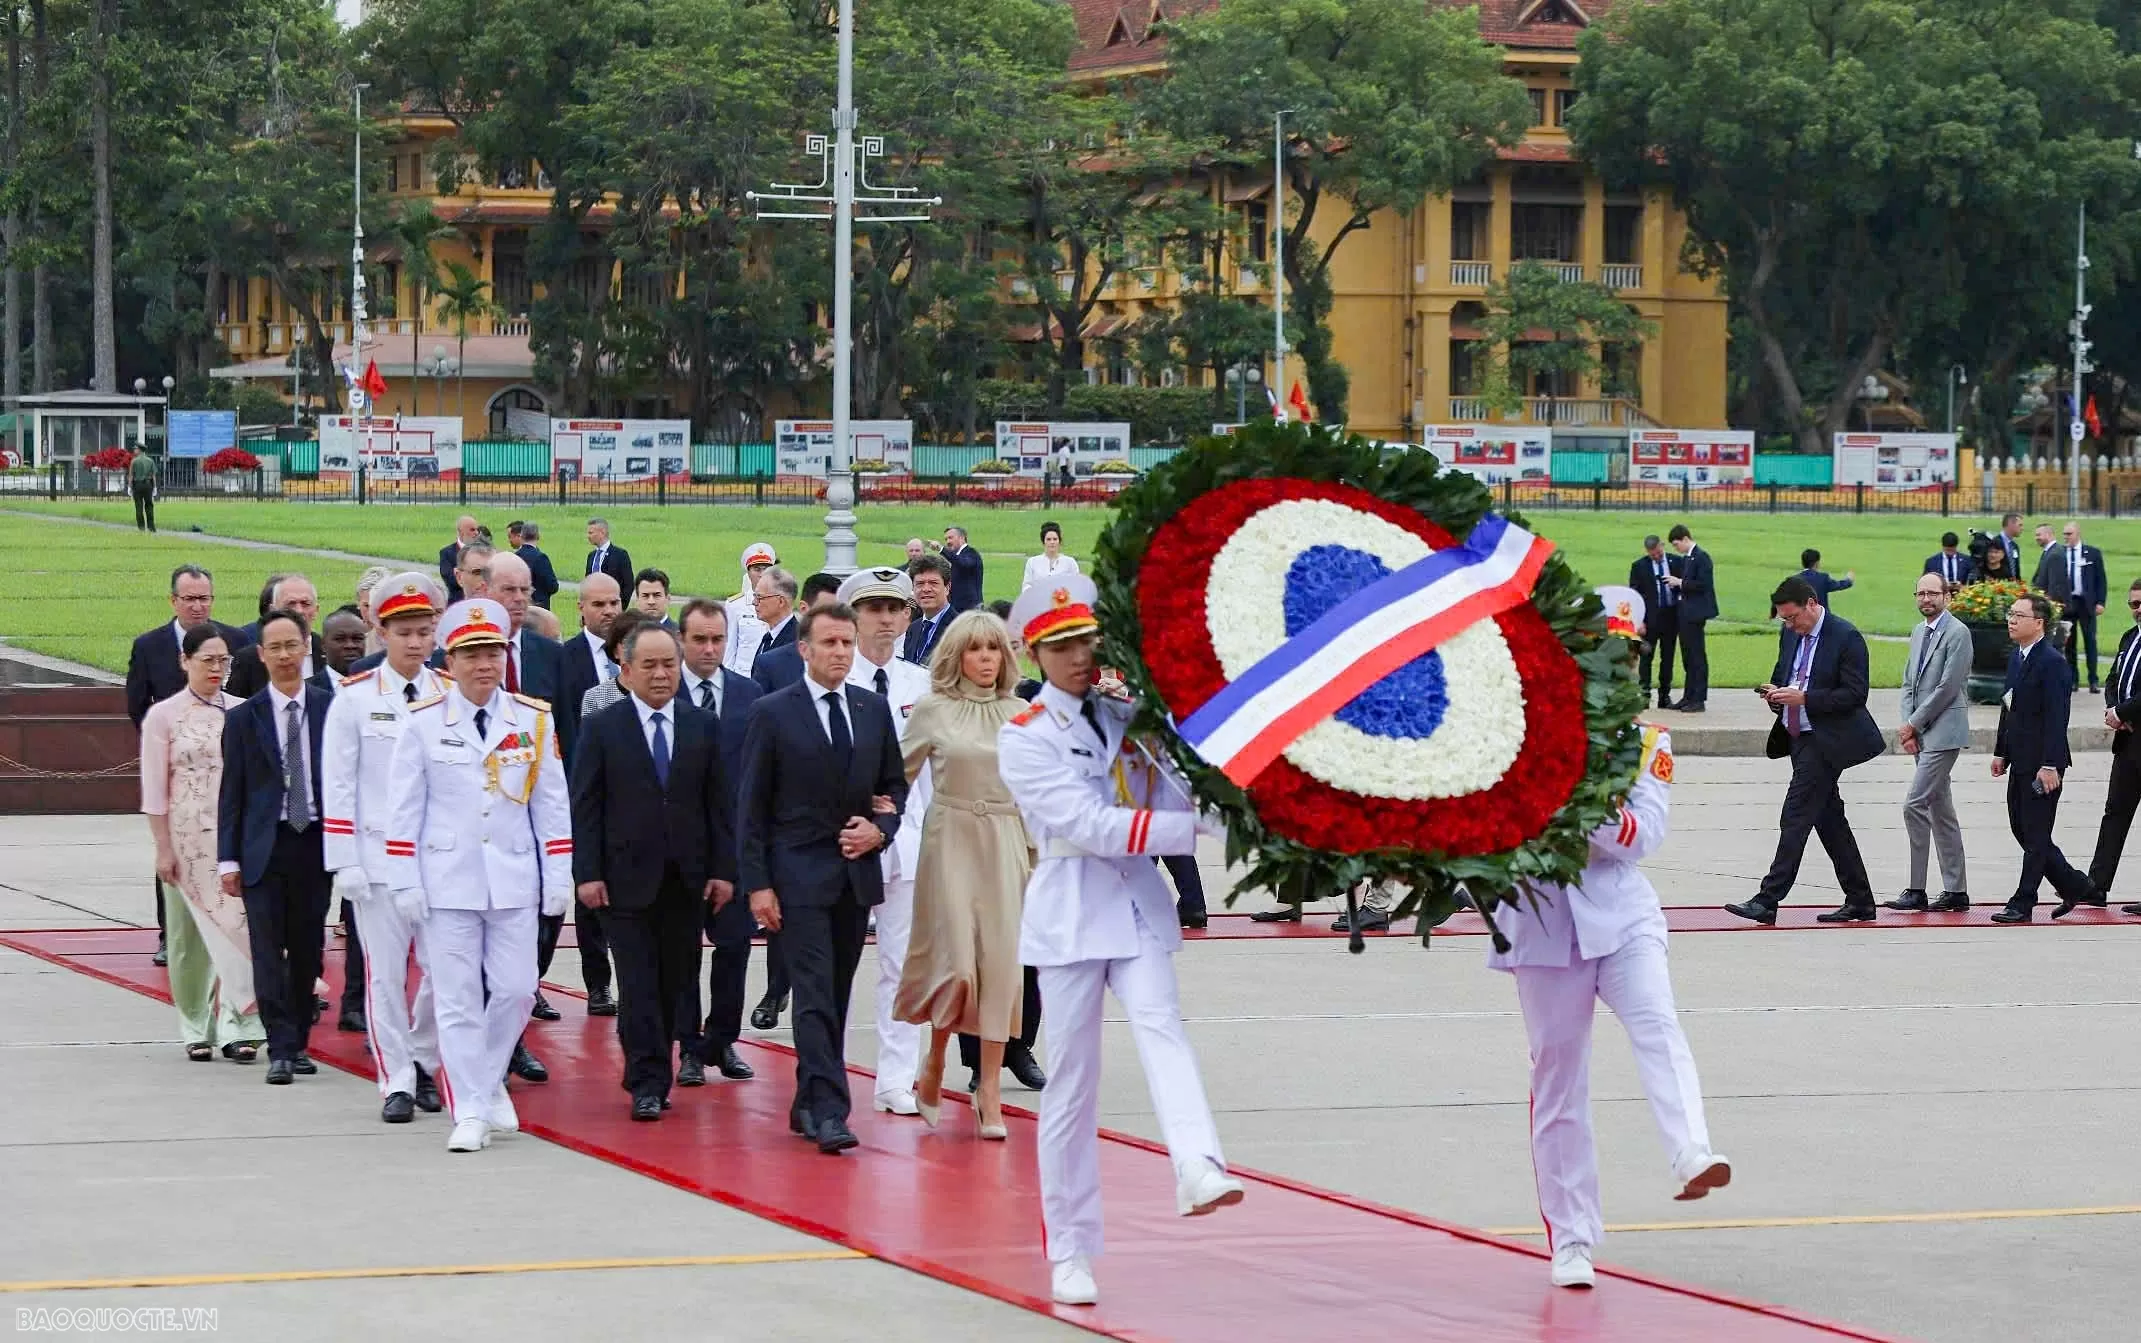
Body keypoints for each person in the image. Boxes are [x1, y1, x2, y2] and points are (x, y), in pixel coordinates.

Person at [997, 574, 1242, 1307]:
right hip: (1071, 909)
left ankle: (1198, 1163)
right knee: (1072, 1085)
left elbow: (1180, 793)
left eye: (1085, 641)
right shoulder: (1026, 736)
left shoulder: (1133, 717)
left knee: (1164, 1029)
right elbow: (1091, 826)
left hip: (1135, 904)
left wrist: (1236, 811)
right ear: (1036, 653)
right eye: (1062, 645)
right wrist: (1190, 827)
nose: (1078, 656)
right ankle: (1070, 1249)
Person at [1491, 586, 1729, 1291]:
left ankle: (1690, 1151)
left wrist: (1567, 808)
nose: (1613, 665)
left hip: (1621, 915)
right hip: (1541, 924)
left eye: (1624, 653)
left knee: (1658, 1024)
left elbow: (1639, 836)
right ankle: (1571, 1238)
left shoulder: (1647, 740)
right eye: (1598, 651)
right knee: (1558, 1080)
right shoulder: (1520, 730)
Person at [384, 598, 574, 1151]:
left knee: (516, 991)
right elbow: (404, 809)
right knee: (457, 998)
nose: (483, 664)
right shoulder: (423, 723)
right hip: (447, 879)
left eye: (492, 651)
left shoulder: (533, 719)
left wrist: (557, 873)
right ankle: (469, 1107)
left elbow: (550, 805)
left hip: (514, 877)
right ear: (452, 659)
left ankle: (487, 1082)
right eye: (470, 654)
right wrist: (405, 879)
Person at [737, 603, 908, 1156]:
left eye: (846, 644)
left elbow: (893, 789)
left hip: (853, 876)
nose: (839, 653)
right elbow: (752, 808)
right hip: (796, 877)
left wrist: (880, 829)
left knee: (834, 992)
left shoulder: (872, 709)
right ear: (804, 650)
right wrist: (758, 884)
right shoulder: (773, 712)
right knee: (811, 992)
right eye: (829, 643)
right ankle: (833, 1109)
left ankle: (809, 1098)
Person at [571, 623, 735, 1120]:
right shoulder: (604, 727)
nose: (663, 675)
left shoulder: (702, 724)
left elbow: (718, 805)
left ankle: (653, 1063)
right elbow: (587, 804)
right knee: (638, 982)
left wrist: (723, 871)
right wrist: (587, 873)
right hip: (624, 879)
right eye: (651, 665)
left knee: (676, 980)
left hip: (687, 879)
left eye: (670, 664)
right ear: (626, 670)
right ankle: (647, 1078)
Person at [897, 609, 1033, 1139]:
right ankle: (933, 1058)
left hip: (1006, 841)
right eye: (975, 650)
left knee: (1000, 968)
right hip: (949, 836)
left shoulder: (1022, 713)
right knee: (956, 965)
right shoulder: (932, 710)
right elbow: (895, 778)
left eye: (994, 649)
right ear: (957, 655)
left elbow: (1039, 792)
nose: (985, 659)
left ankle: (990, 1088)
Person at [320, 574, 447, 1122]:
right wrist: (342, 859)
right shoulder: (354, 698)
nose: (415, 643)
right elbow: (340, 781)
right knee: (385, 975)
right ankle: (395, 1076)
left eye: (424, 632)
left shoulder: (448, 691)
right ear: (382, 631)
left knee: (446, 973)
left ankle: (423, 1057)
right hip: (375, 859)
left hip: (438, 859)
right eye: (404, 632)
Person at [217, 606, 333, 1085]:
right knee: (267, 949)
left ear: (307, 648)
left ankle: (301, 1041)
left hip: (316, 844)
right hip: (265, 846)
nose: (285, 655)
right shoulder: (244, 718)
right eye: (275, 648)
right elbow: (233, 793)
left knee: (308, 948)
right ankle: (280, 1048)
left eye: (293, 645)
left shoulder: (331, 708)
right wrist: (228, 859)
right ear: (261, 655)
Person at [1725, 577, 1884, 925]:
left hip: (1828, 741)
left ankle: (1768, 899)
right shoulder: (1790, 634)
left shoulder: (1846, 637)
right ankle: (1860, 899)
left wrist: (1806, 699)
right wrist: (1776, 694)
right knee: (1829, 822)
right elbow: (1785, 674)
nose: (1789, 625)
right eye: (1784, 619)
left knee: (1795, 815)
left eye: (1793, 617)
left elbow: (1855, 696)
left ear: (1812, 604)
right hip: (1798, 736)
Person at [141, 625, 262, 1063]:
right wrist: (162, 847)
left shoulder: (245, 710)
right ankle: (195, 1024)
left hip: (234, 838)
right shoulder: (164, 717)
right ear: (184, 661)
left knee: (238, 929)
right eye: (207, 660)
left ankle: (241, 1023)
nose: (217, 669)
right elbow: (154, 789)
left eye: (224, 660)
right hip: (185, 838)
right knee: (188, 938)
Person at [836, 566, 931, 1119]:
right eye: (874, 608)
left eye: (895, 609)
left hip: (911, 843)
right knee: (835, 964)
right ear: (852, 615)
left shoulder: (920, 685)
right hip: (848, 842)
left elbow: (936, 777)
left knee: (902, 965)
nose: (886, 619)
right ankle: (828, 1070)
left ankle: (896, 1078)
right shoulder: (834, 680)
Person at [128, 564, 248, 966]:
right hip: (180, 784)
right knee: (173, 868)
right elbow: (136, 705)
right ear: (173, 601)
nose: (198, 606)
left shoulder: (236, 640)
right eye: (190, 599)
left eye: (205, 598)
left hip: (226, 786)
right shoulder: (149, 646)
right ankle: (170, 936)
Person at [673, 597, 764, 1081]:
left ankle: (722, 1040)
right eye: (699, 640)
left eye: (717, 640)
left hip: (736, 850)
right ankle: (687, 1045)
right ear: (682, 640)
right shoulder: (666, 694)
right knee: (683, 952)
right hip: (682, 851)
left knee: (734, 950)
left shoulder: (751, 695)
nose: (709, 649)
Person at [1987, 594, 2098, 923]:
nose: (2011, 619)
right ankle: (2074, 883)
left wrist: (2050, 765)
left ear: (2039, 623)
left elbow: (2056, 718)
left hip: (2043, 764)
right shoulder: (2017, 658)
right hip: (2019, 760)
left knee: (2035, 835)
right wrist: (2000, 751)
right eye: (2010, 614)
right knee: (2022, 829)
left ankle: (2023, 902)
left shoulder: (2052, 663)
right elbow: (2009, 707)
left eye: (2019, 615)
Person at [1884, 574, 1972, 913]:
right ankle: (1956, 890)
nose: (1926, 599)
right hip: (1921, 730)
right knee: (1940, 808)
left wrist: (1913, 723)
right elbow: (1909, 683)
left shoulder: (1958, 633)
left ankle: (1916, 888)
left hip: (1944, 730)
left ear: (1947, 596)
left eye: (1933, 593)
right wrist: (1909, 727)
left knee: (1914, 804)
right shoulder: (1919, 632)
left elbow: (1948, 688)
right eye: (1920, 593)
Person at [2092, 579, 2141, 916]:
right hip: (2127, 741)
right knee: (2115, 815)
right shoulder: (2129, 637)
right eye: (2133, 604)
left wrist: (2123, 711)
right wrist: (2114, 711)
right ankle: (2096, 887)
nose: (2137, 609)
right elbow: (2113, 679)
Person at [227, 576, 331, 697]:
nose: (299, 611)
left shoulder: (330, 652)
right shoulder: (249, 660)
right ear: (273, 610)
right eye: (290, 604)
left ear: (316, 610)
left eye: (305, 604)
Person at [748, 572, 842, 695]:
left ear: (781, 602)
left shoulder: (795, 645)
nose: (754, 602)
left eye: (759, 597)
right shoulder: (770, 638)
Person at [2040, 522, 2108, 693]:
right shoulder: (2059, 553)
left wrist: (2101, 602)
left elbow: (2101, 580)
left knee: (2090, 641)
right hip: (2066, 604)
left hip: (2086, 603)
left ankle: (2093, 679)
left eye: (2069, 534)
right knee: (2068, 642)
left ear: (2078, 534)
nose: (2066, 537)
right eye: (2064, 534)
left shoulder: (2092, 553)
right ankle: (2073, 679)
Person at [1626, 535, 1680, 711]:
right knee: (1646, 658)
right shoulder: (1639, 566)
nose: (1656, 557)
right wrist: (1638, 620)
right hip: (1649, 621)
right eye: (1652, 554)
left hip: (1671, 618)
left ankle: (1664, 695)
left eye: (1658, 553)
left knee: (1668, 658)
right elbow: (1634, 596)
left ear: (1662, 546)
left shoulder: (1676, 562)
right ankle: (1644, 694)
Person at [1665, 525, 1713, 712]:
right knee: (1687, 656)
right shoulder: (1689, 558)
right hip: (1685, 612)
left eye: (1677, 545)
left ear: (1685, 539)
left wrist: (1680, 582)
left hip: (1695, 613)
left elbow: (1703, 584)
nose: (1676, 549)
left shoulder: (1701, 557)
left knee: (1696, 656)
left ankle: (1698, 698)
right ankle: (1688, 696)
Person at [903, 554, 955, 664]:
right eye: (920, 584)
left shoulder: (960, 628)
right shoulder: (913, 629)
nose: (926, 589)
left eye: (933, 583)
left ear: (947, 588)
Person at [724, 542, 781, 639]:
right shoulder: (735, 605)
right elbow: (729, 647)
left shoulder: (780, 602)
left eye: (766, 569)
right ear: (748, 573)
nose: (762, 574)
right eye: (757, 569)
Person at [1022, 520, 1079, 590]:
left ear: (1059, 541)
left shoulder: (1070, 562)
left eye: (1055, 539)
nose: (1052, 542)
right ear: (1043, 542)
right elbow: (1026, 586)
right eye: (1048, 539)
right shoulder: (1032, 562)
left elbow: (1076, 585)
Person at [515, 522, 559, 610]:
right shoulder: (540, 558)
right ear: (538, 536)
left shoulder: (515, 557)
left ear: (521, 536)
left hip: (518, 606)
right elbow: (552, 586)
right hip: (538, 608)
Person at [584, 517, 634, 592]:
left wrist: (619, 603)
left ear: (602, 533)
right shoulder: (591, 556)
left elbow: (628, 584)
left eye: (591, 533)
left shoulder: (620, 555)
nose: (588, 536)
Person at [942, 525, 984, 612]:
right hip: (957, 607)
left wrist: (942, 550)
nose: (948, 542)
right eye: (946, 539)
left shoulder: (971, 553)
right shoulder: (956, 557)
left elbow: (963, 564)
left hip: (971, 608)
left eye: (950, 538)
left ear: (962, 538)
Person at [440, 515, 480, 605]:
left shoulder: (484, 552)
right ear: (461, 532)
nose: (477, 533)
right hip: (457, 603)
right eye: (472, 530)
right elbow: (450, 580)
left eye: (477, 529)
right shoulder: (447, 553)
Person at [129, 442, 157, 532]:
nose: (134, 450)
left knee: (138, 506)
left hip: (138, 485)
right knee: (149, 505)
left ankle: (141, 527)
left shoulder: (134, 461)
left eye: (135, 449)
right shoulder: (150, 461)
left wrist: (129, 487)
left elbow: (131, 476)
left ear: (140, 450)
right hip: (148, 485)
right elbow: (153, 476)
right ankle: (151, 527)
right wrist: (155, 487)